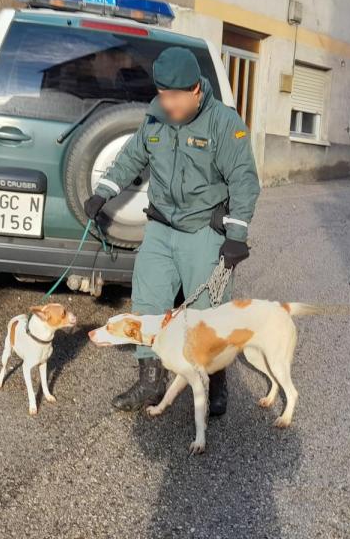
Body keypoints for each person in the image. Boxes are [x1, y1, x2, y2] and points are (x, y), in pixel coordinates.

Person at [85, 47, 260, 416]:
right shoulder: (155, 118)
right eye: (162, 95)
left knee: (207, 313)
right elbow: (132, 157)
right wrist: (103, 193)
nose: (168, 103)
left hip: (203, 229)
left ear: (196, 89)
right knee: (147, 304)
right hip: (162, 227)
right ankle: (150, 381)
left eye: (175, 96)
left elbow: (244, 180)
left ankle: (215, 381)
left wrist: (236, 235)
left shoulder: (224, 123)